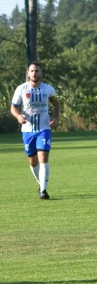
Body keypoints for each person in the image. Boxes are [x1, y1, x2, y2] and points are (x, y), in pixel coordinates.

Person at [10, 62, 61, 200]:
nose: (34, 73)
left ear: (41, 73)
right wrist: (18, 116)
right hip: (27, 130)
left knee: (43, 157)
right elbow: (13, 107)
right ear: (28, 73)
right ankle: (41, 184)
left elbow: (56, 103)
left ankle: (43, 191)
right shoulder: (21, 89)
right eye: (32, 71)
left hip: (44, 128)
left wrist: (55, 118)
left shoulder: (48, 89)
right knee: (33, 162)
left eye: (37, 71)